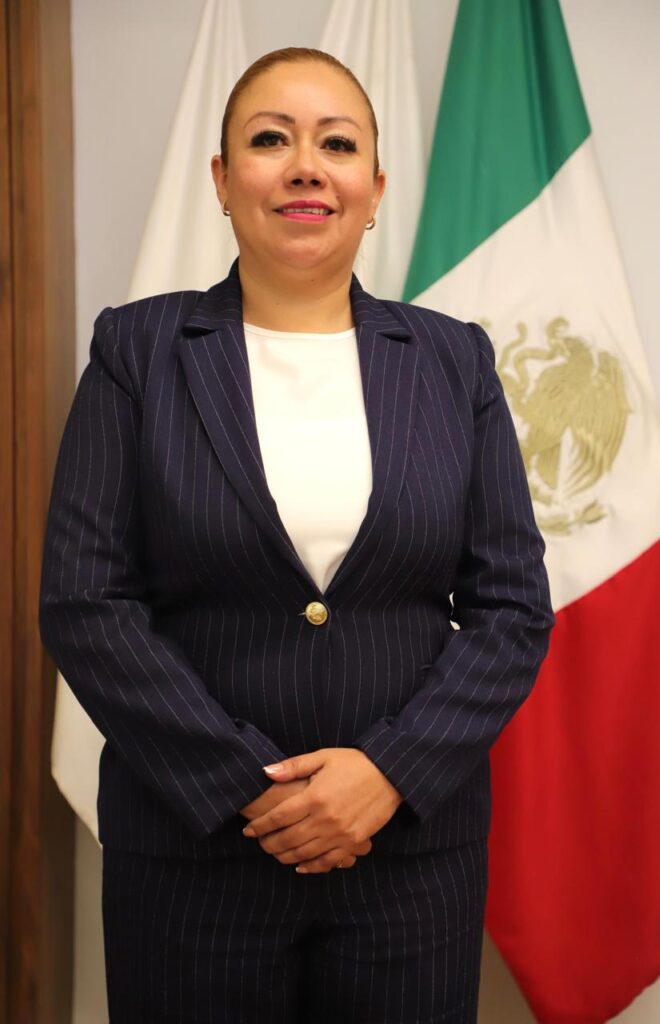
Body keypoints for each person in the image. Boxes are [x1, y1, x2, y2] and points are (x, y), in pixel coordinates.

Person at [39, 46, 554, 1024]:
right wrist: (242, 783)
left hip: (408, 865)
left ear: (375, 189)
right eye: (271, 140)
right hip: (193, 857)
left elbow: (511, 609)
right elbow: (85, 601)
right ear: (223, 180)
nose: (306, 167)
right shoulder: (137, 350)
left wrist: (390, 771)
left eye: (338, 144)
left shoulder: (454, 361)